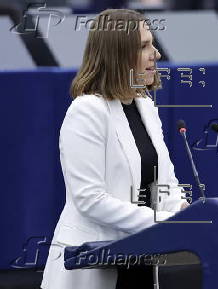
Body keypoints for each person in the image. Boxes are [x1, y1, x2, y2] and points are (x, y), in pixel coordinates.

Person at [40, 9, 189, 289]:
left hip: (141, 262)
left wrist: (183, 211)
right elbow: (90, 199)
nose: (155, 53)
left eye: (152, 43)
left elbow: (163, 183)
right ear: (118, 54)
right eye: (144, 46)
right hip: (92, 263)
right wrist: (165, 223)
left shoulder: (145, 105)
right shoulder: (86, 111)